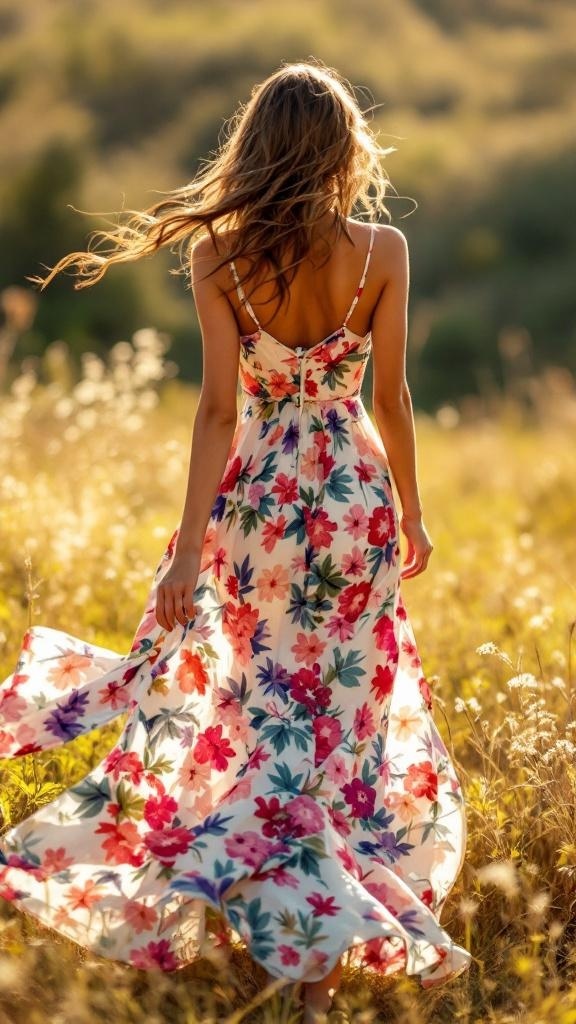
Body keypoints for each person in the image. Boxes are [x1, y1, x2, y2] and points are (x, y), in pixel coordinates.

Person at [0, 59, 471, 1023]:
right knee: (340, 730)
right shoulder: (382, 251)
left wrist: (186, 553)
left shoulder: (217, 256)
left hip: (257, 504)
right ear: (344, 152)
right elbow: (390, 397)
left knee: (257, 717)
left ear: (254, 147)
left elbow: (219, 409)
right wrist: (413, 512)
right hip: (353, 505)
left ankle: (252, 906)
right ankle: (317, 960)